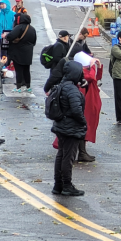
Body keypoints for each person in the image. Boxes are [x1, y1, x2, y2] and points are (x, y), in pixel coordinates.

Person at [51, 61, 88, 197]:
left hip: (60, 125)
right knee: (68, 156)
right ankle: (67, 185)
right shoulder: (72, 90)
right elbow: (76, 110)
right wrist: (84, 122)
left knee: (61, 154)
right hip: (70, 127)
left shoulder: (62, 85)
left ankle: (58, 184)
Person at [7, 13, 37, 93]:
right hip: (28, 53)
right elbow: (34, 41)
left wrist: (5, 36)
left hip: (18, 52)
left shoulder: (19, 27)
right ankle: (28, 87)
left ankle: (18, 87)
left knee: (18, 70)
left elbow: (10, 36)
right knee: (27, 70)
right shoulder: (32, 29)